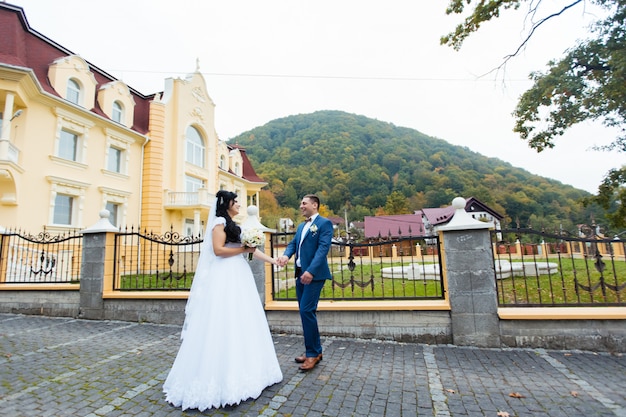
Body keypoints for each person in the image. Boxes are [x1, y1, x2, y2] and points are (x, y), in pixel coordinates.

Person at [163, 190, 283, 411]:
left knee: (242, 319)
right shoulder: (219, 222)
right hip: (224, 275)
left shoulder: (232, 223)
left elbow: (251, 250)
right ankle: (219, 377)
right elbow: (219, 251)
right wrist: (242, 249)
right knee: (223, 319)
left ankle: (248, 371)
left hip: (238, 273)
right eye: (235, 201)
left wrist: (273, 260)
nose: (238, 204)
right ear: (226, 203)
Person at [277, 194, 333, 371]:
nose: (301, 206)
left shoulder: (324, 224)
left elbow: (323, 249)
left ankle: (312, 354)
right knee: (305, 313)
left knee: (306, 310)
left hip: (314, 275)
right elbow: (293, 244)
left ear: (314, 205)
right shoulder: (301, 226)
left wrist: (311, 270)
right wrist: (286, 255)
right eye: (301, 203)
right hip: (300, 274)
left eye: (304, 203)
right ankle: (315, 351)